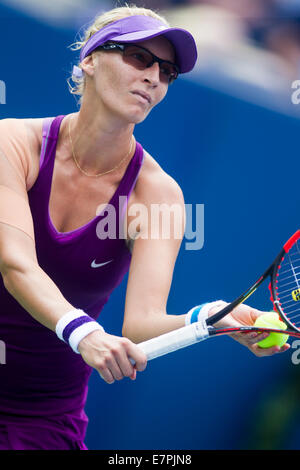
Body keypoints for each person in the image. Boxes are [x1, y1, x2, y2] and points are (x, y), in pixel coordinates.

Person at [0, 5, 289, 451]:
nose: (154, 76)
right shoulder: (13, 144)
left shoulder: (158, 195)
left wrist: (212, 319)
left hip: (42, 413)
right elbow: (15, 264)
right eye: (138, 57)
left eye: (168, 71)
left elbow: (140, 325)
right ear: (91, 59)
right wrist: (86, 333)